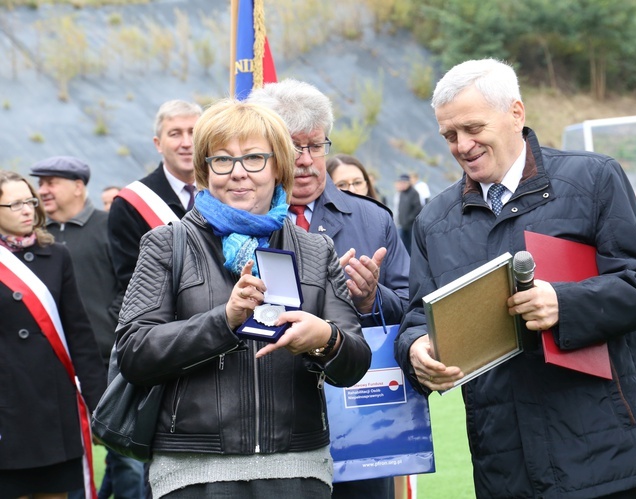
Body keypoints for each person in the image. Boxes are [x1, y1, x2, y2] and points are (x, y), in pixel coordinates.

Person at [395, 58, 636, 499]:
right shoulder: (434, 221)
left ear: (516, 113)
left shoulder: (593, 178)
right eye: (449, 135)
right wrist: (418, 350)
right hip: (504, 463)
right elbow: (416, 317)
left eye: (472, 128)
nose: (461, 145)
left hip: (606, 453)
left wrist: (564, 303)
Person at [115, 99, 371, 498]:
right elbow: (134, 354)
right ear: (204, 170)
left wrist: (325, 339)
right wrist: (225, 320)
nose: (238, 173)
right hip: (194, 474)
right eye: (222, 160)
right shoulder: (167, 244)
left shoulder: (316, 250)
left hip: (297, 470)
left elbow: (355, 362)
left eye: (254, 158)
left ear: (278, 167)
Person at [248, 80, 410, 499]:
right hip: (269, 418)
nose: (305, 161)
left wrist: (372, 298)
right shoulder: (236, 221)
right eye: (292, 146)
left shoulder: (373, 220)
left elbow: (412, 314)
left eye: (315, 146)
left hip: (361, 418)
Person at [30, 157, 144, 499]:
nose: (43, 190)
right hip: (56, 370)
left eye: (52, 182)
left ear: (79, 186)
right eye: (41, 183)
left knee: (126, 457)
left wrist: (110, 324)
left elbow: (134, 284)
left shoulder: (109, 225)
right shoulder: (37, 238)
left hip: (112, 365)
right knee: (70, 455)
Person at [0, 171, 106, 499]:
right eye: (15, 204)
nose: (27, 209)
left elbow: (79, 333)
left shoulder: (56, 255)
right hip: (7, 406)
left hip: (52, 406)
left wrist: (98, 402)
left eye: (29, 201)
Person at [108, 99, 202, 291]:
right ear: (158, 144)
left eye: (193, 133)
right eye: (175, 134)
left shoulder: (226, 192)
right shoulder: (130, 204)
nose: (186, 143)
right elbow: (131, 281)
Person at [394, 174, 421, 255]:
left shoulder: (414, 193)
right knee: (403, 246)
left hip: (411, 226)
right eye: (401, 182)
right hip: (402, 225)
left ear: (409, 183)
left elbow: (418, 209)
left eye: (404, 183)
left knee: (412, 246)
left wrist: (409, 220)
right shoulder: (401, 193)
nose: (402, 184)